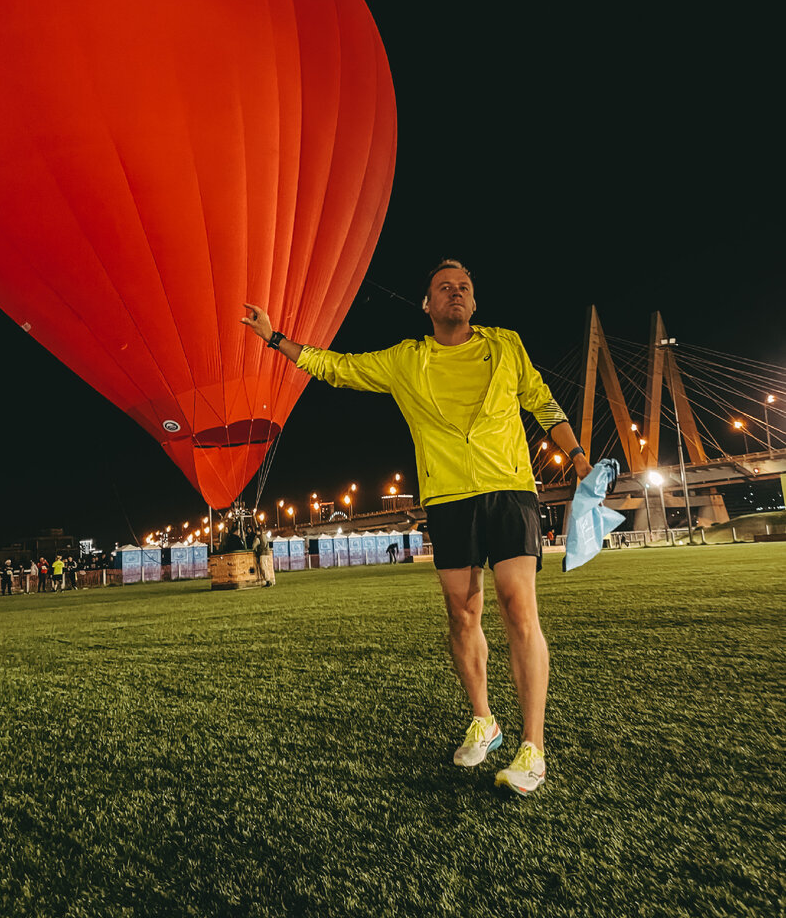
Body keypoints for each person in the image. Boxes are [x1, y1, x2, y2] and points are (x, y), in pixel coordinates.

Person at [242, 259, 591, 797]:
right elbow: (339, 367)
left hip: (509, 488)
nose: (456, 293)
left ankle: (533, 747)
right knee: (462, 613)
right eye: (444, 287)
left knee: (518, 606)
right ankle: (484, 721)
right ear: (427, 304)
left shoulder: (506, 346)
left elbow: (543, 403)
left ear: (474, 302)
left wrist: (578, 456)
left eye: (464, 287)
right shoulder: (406, 360)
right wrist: (274, 339)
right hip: (447, 497)